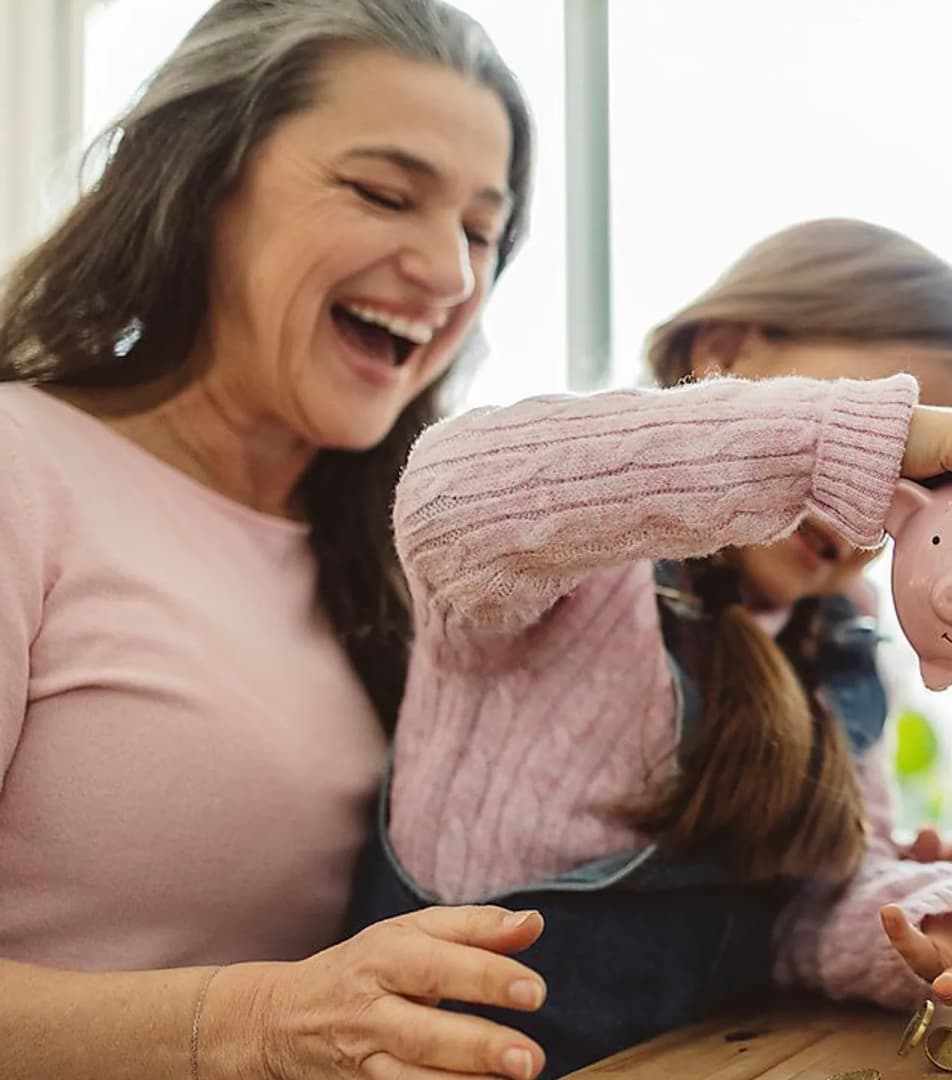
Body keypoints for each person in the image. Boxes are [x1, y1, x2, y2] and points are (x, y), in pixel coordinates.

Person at [350, 219, 952, 1075]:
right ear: (722, 353)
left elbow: (807, 912)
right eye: (894, 437)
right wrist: (848, 445)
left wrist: (937, 916)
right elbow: (449, 493)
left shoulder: (836, 650)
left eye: (926, 477)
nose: (878, 501)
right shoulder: (568, 572)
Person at [0, 2, 562, 1076]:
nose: (449, 273)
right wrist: (254, 1026)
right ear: (203, 184)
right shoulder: (21, 471)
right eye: (383, 194)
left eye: (482, 232)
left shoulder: (399, 563)